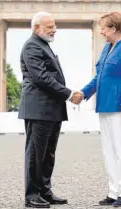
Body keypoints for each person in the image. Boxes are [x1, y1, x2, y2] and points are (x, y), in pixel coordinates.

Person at [18, 12, 83, 208]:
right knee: (36, 154)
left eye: (54, 26)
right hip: (38, 109)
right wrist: (70, 93)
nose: (54, 30)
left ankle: (45, 191)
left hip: (50, 109)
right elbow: (42, 78)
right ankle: (32, 195)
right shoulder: (31, 46)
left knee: (48, 154)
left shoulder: (43, 45)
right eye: (49, 27)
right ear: (36, 28)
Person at [79, 11, 121, 207]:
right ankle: (114, 192)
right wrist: (83, 93)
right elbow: (99, 77)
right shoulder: (108, 47)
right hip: (105, 105)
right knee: (109, 152)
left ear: (114, 28)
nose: (101, 32)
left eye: (104, 28)